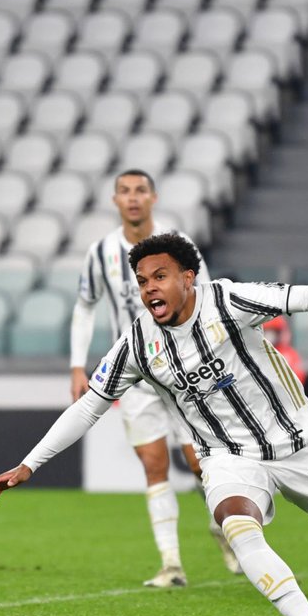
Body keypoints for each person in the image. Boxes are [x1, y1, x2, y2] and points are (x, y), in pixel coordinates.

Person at [0, 233, 308, 616]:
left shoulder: (229, 301)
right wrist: (29, 464)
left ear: (188, 277)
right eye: (141, 281)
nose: (149, 289)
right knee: (237, 525)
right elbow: (90, 405)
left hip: (297, 443)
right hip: (226, 455)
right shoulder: (139, 342)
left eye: (160, 276)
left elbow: (307, 297)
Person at [69, 169, 239, 587]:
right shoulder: (101, 252)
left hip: (185, 372)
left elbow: (207, 295)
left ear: (153, 198)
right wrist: (77, 365)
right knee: (153, 463)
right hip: (136, 375)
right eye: (124, 191)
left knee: (201, 462)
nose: (132, 198)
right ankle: (172, 564)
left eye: (140, 191)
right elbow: (85, 306)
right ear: (115, 200)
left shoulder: (178, 245)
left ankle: (225, 528)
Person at [262, 316, 306, 383]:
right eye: (266, 331)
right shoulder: (255, 351)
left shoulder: (289, 354)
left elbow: (298, 377)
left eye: (273, 332)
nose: (269, 336)